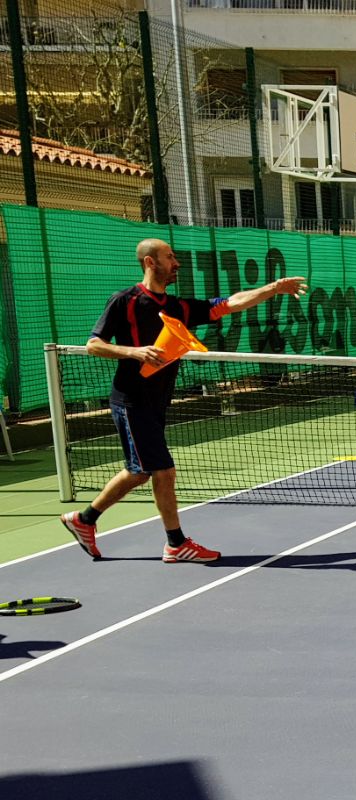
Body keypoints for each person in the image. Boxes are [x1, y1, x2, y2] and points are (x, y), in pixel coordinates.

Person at [59, 238, 306, 564]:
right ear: (150, 262)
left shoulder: (177, 307)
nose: (176, 263)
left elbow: (230, 303)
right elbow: (94, 344)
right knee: (163, 470)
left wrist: (273, 288)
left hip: (156, 400)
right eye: (170, 257)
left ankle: (85, 520)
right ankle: (175, 544)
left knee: (140, 472)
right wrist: (133, 351)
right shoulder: (125, 301)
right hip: (131, 400)